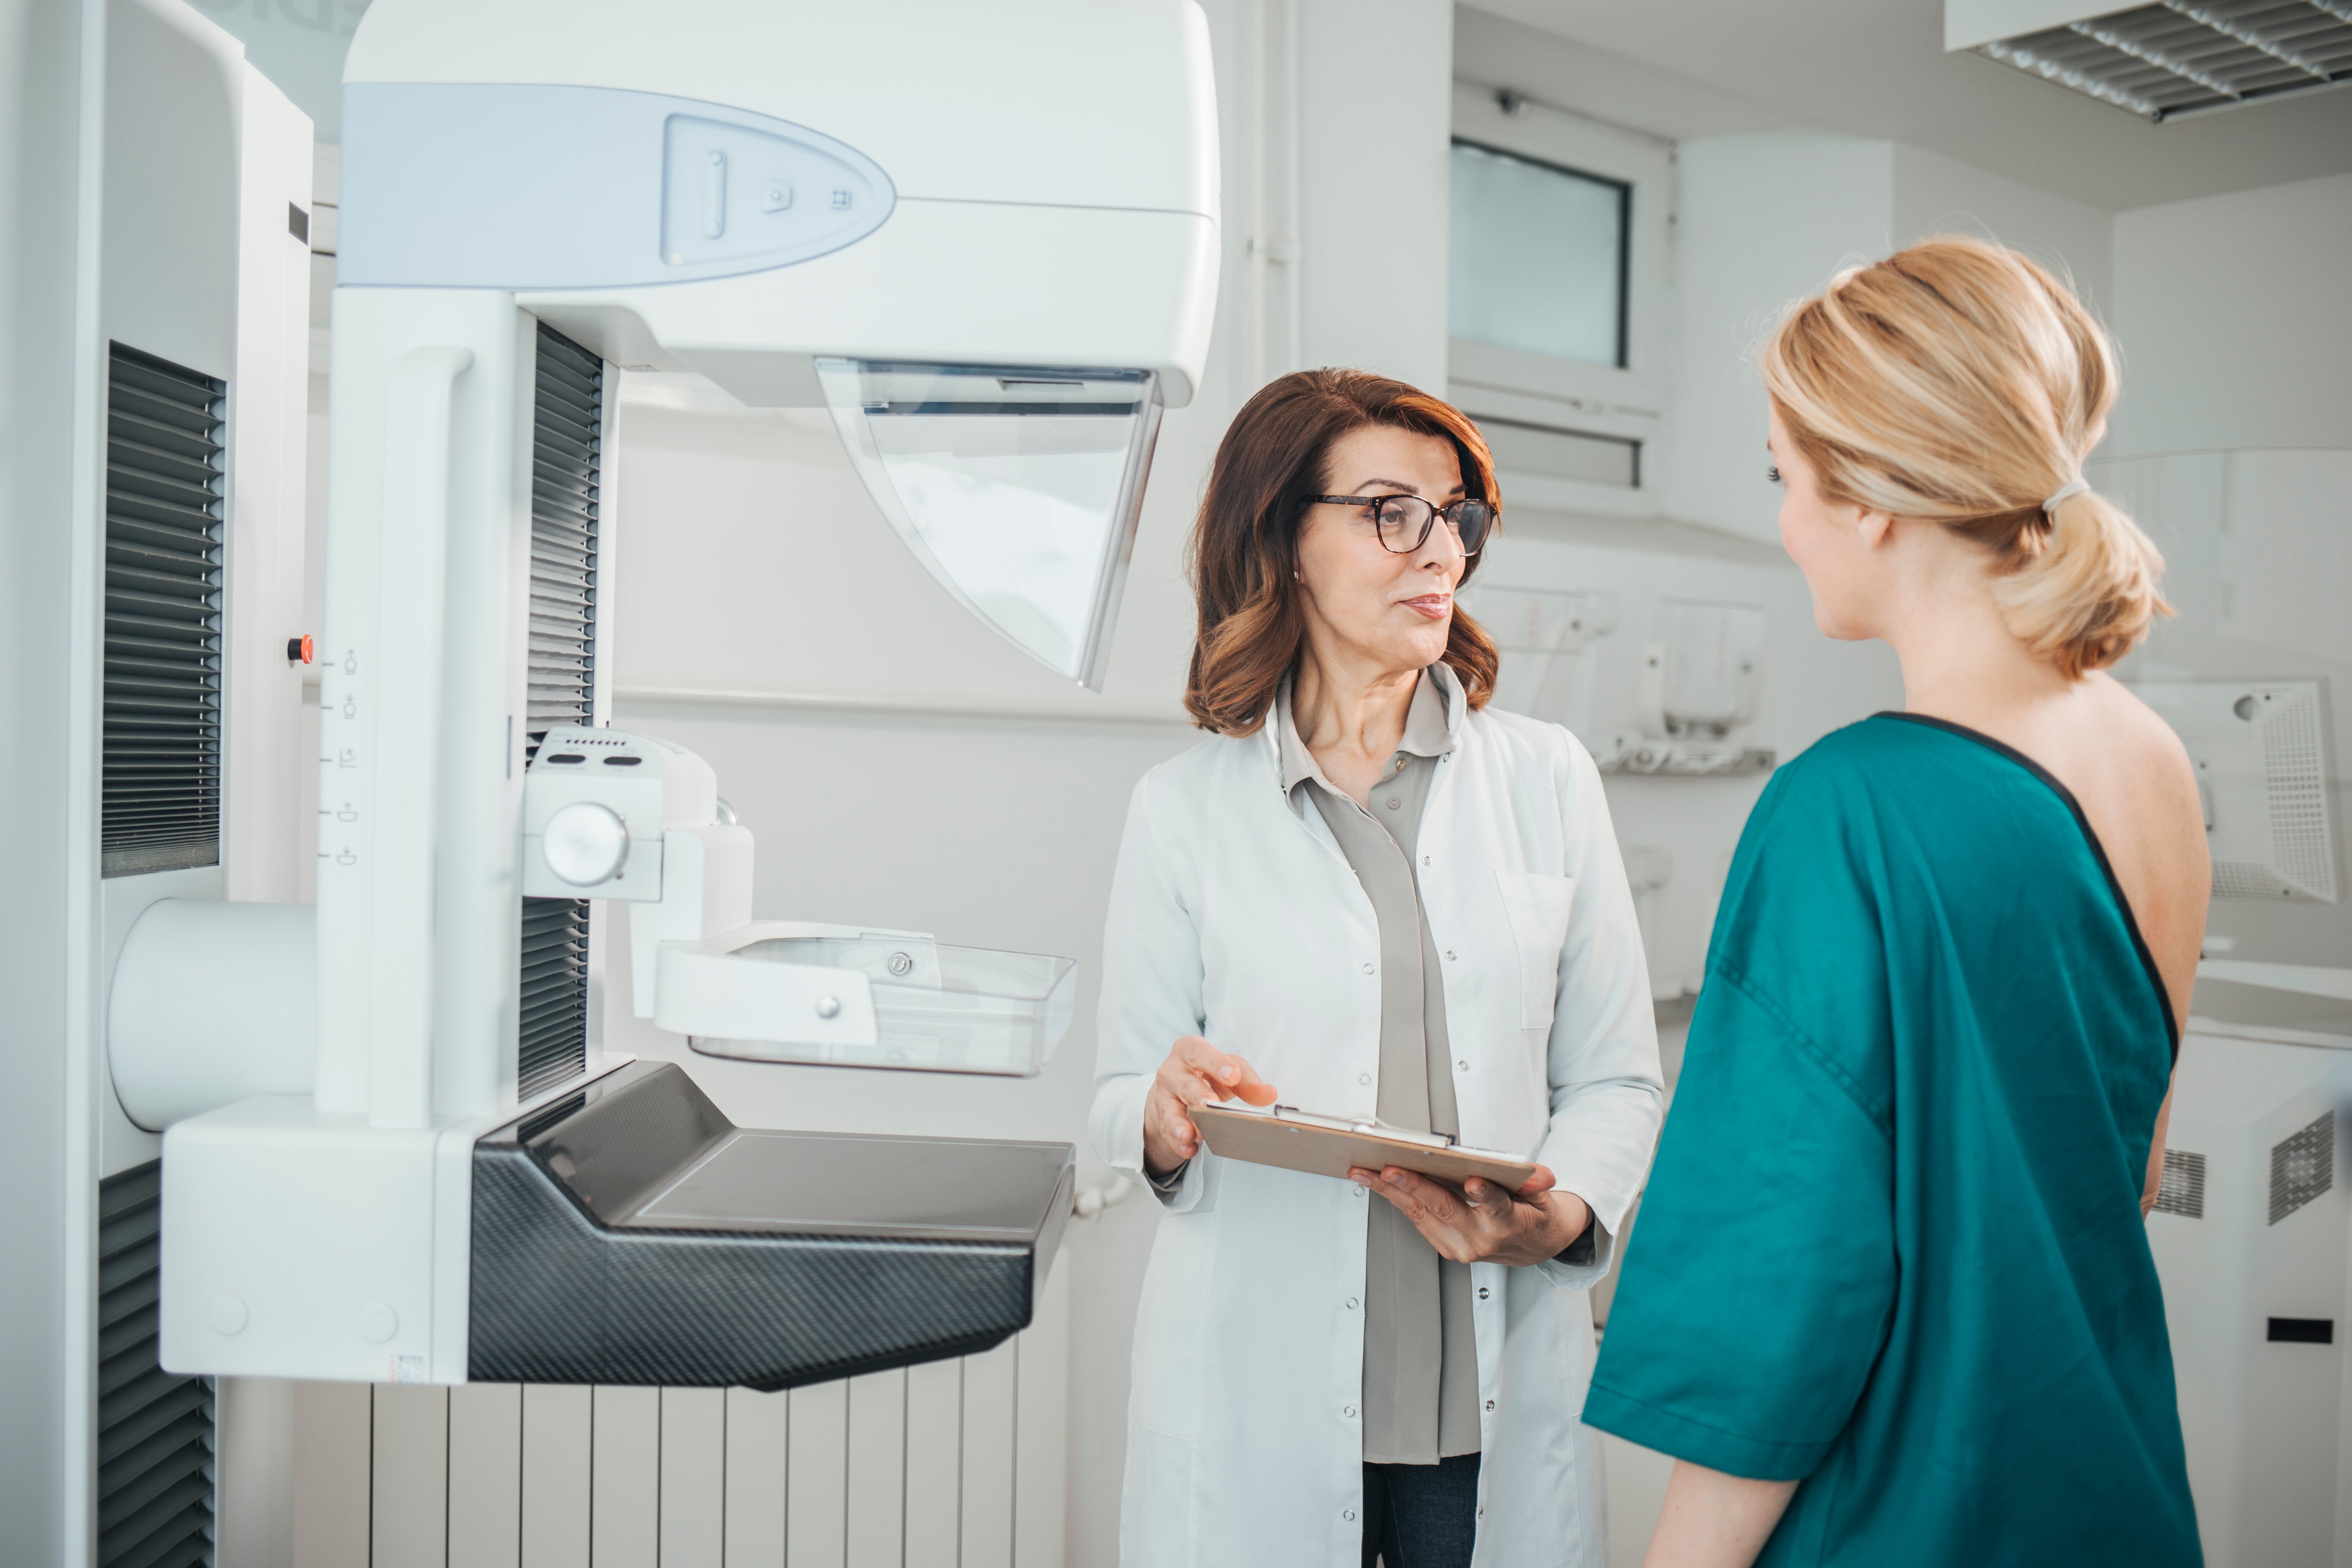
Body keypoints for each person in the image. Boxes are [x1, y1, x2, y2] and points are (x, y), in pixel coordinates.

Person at [1582, 237, 2209, 1567]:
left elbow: (1779, 1295)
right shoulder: (2149, 761)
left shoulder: (1849, 810)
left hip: (1904, 1519)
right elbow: (2130, 1164)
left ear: (1868, 495)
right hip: (2105, 1491)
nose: (1782, 518)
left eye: (1781, 475)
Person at [1089, 368, 1664, 1568]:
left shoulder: (1548, 780)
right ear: (1285, 539)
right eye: (1390, 512)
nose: (1438, 549)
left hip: (1486, 1402)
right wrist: (1158, 1115)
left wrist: (1556, 1218)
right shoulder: (1183, 812)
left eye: (1456, 516)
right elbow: (1118, 1096)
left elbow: (1616, 1081)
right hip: (1267, 1394)